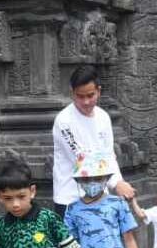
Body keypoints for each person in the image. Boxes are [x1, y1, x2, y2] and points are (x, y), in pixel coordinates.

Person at [52, 65, 135, 220]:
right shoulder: (63, 121)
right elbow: (82, 160)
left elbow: (108, 155)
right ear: (72, 94)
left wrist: (119, 181)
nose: (86, 101)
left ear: (99, 91)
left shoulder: (103, 117)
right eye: (80, 96)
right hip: (70, 198)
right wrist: (116, 184)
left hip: (101, 197)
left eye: (91, 95)